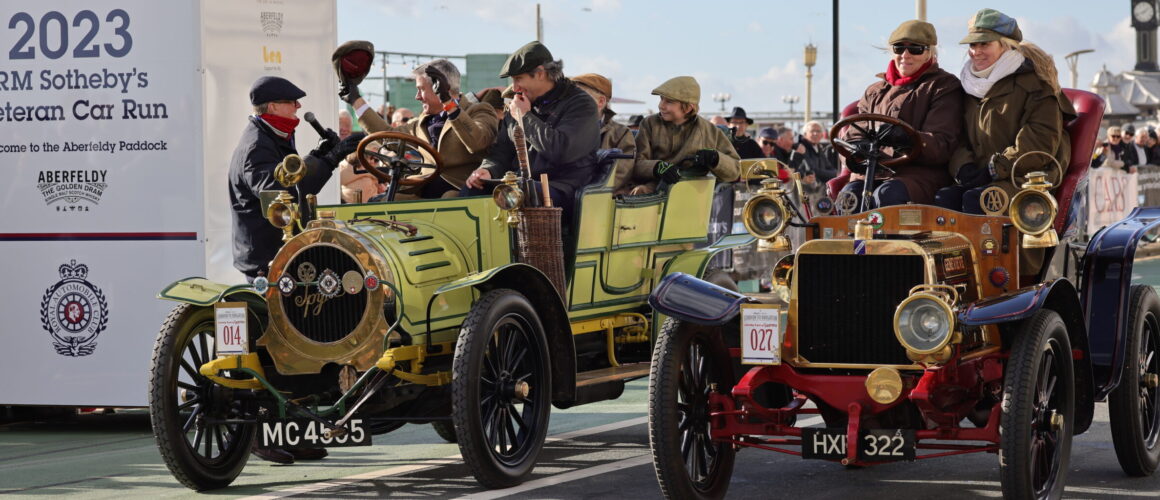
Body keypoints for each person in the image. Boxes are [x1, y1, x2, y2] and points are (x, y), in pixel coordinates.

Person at [228, 76, 359, 464]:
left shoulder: (272, 137)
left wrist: (318, 154)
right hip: (266, 261)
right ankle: (258, 431)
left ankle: (297, 427)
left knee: (302, 341)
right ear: (272, 108)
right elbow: (282, 192)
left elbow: (293, 174)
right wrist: (330, 159)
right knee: (270, 348)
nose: (298, 110)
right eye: (291, 103)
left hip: (289, 259)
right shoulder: (255, 147)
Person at [935, 9, 1075, 214]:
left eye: (985, 44)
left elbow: (1039, 144)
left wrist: (995, 169)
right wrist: (963, 167)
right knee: (944, 199)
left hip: (1026, 178)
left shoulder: (1036, 87)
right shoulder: (968, 88)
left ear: (1006, 45)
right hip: (984, 176)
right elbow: (958, 137)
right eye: (973, 44)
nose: (976, 51)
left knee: (982, 200)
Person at [463, 41, 600, 225]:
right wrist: (487, 170)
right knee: (471, 189)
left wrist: (525, 117)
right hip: (523, 184)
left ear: (541, 74)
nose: (515, 87)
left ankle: (519, 253)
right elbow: (501, 151)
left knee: (520, 192)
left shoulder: (581, 104)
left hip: (564, 187)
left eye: (518, 79)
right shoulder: (518, 102)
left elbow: (560, 150)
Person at [839, 19, 963, 208]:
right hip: (871, 171)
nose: (906, 55)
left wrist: (908, 138)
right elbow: (855, 133)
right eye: (899, 48)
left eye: (915, 49)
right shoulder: (874, 91)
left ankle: (890, 238)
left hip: (919, 174)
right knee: (849, 198)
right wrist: (857, 149)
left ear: (929, 52)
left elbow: (942, 143)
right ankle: (851, 239)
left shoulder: (943, 86)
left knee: (887, 194)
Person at [340, 55, 499, 198]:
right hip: (421, 189)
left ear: (442, 88)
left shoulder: (479, 111)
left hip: (460, 191)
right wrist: (356, 100)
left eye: (421, 90)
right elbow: (389, 135)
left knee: (449, 200)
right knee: (382, 202)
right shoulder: (421, 122)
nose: (417, 97)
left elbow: (477, 141)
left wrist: (448, 104)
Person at [630, 76, 741, 196]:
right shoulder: (649, 124)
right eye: (661, 99)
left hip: (692, 194)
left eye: (669, 101)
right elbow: (636, 164)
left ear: (688, 108)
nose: (661, 105)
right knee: (639, 193)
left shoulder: (709, 131)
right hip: (654, 190)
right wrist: (657, 167)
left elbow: (735, 171)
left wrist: (716, 158)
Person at [571, 73, 637, 194]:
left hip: (596, 198)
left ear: (600, 102)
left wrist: (586, 191)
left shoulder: (621, 134)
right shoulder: (564, 129)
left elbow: (621, 173)